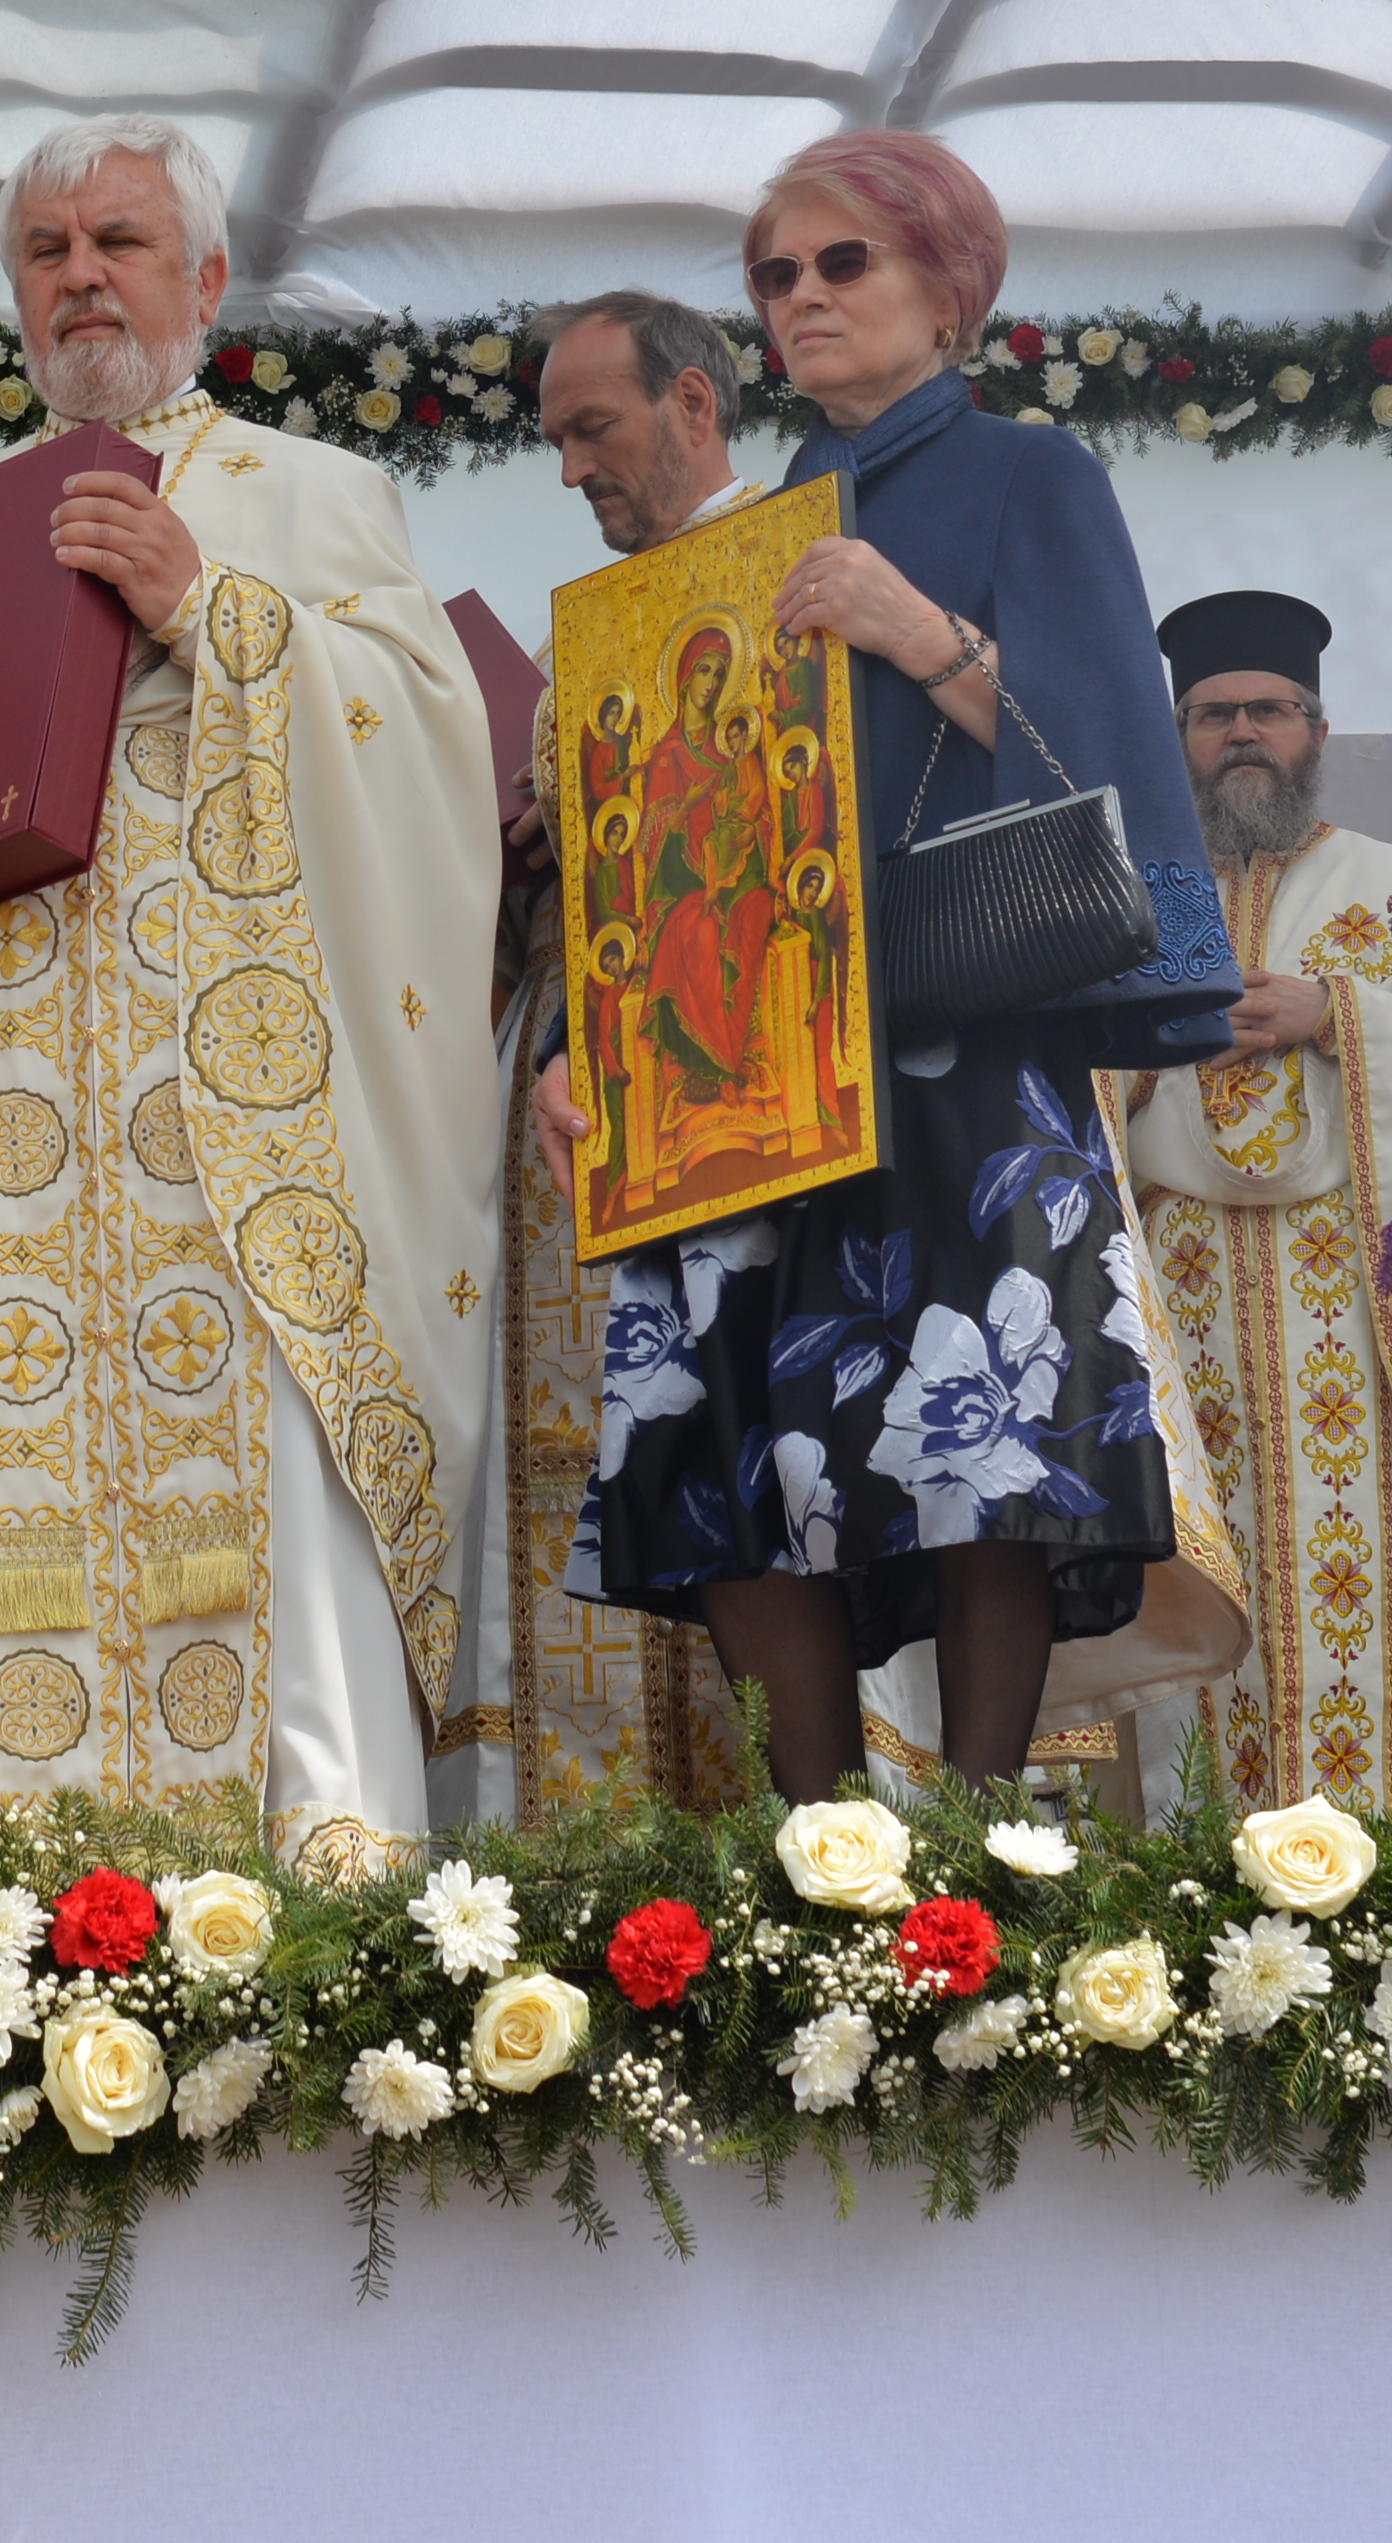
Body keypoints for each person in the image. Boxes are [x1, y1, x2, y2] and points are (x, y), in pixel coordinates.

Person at [0, 115, 497, 1865]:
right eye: (48, 252)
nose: (83, 276)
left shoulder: (310, 492)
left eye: (121, 241)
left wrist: (215, 611)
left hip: (230, 1130)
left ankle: (303, 1897)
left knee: (265, 1499)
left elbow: (429, 748)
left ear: (204, 279)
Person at [556, 129, 1237, 1801]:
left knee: (981, 1442)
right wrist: (614, 1037)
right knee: (730, 1447)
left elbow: (1111, 765)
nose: (797, 297)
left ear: (949, 285)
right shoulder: (745, 530)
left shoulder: (1028, 477)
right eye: (773, 274)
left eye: (838, 262)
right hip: (756, 1054)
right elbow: (685, 826)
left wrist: (921, 634)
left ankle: (979, 1835)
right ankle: (821, 1842)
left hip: (962, 1032)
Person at [1111, 592, 1392, 1805]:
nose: (1244, 732)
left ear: (1318, 727)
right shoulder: (1127, 901)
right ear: (1178, 733)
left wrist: (1341, 1018)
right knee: (1195, 1599)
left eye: (1270, 708)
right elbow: (1062, 1090)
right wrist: (1135, 1057)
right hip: (1187, 1306)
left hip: (1365, 1335)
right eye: (1215, 713)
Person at [470, 294, 756, 1818]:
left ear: (695, 405)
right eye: (556, 437)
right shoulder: (587, 643)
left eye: (596, 428)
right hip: (603, 1130)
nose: (571, 468)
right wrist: (525, 851)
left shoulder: (795, 564)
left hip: (776, 1131)